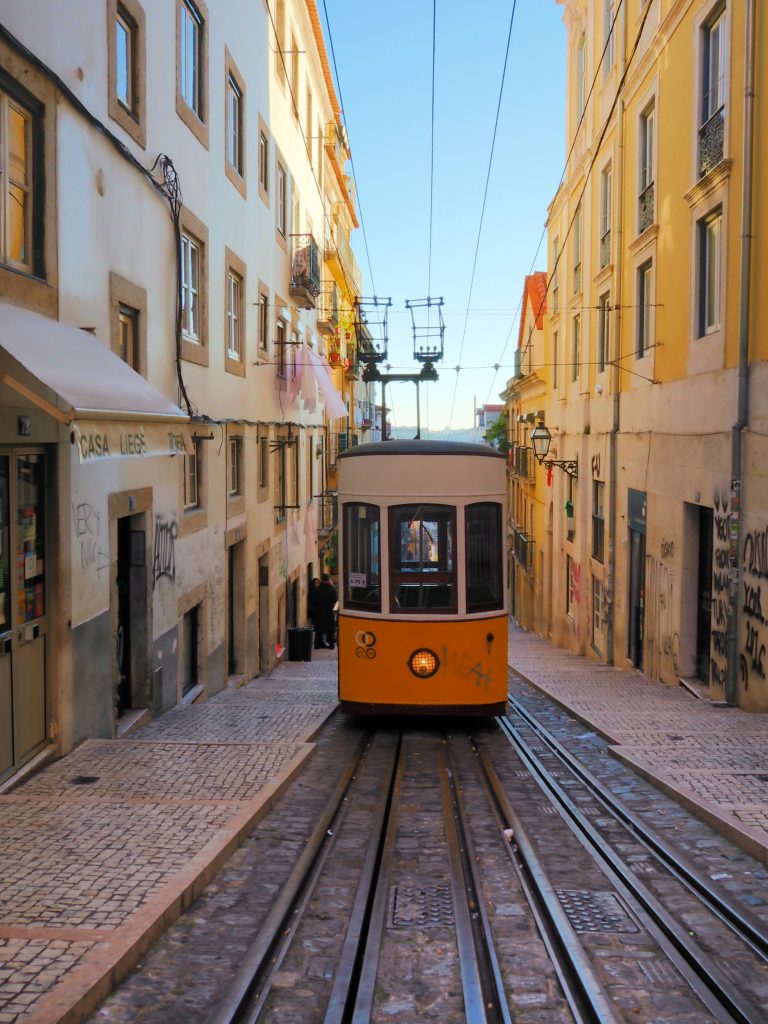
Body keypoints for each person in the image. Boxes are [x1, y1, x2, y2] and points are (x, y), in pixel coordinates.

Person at [314, 573, 338, 649]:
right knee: (330, 629)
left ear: (321, 579)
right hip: (329, 611)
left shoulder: (318, 589)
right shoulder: (332, 589)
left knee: (319, 629)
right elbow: (335, 601)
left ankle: (317, 645)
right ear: (328, 579)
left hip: (319, 611)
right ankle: (331, 645)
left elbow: (315, 601)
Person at [308, 577, 322, 648]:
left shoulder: (319, 591)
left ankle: (319, 643)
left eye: (318, 583)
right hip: (315, 613)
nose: (317, 584)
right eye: (316, 583)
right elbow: (311, 603)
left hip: (319, 612)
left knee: (319, 628)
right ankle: (317, 644)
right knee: (317, 628)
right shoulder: (312, 592)